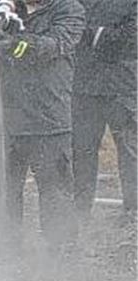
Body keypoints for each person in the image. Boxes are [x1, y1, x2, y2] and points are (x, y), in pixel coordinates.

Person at [0, 0, 86, 253]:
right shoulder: (8, 11)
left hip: (48, 120)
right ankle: (5, 252)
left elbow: (53, 45)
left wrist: (15, 44)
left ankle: (61, 252)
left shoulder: (69, 10)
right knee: (4, 193)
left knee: (55, 192)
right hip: (9, 120)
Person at [72, 0, 137, 224]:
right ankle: (80, 208)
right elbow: (69, 27)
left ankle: (133, 209)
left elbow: (132, 38)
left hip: (122, 87)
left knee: (129, 150)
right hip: (84, 86)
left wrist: (93, 35)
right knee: (82, 149)